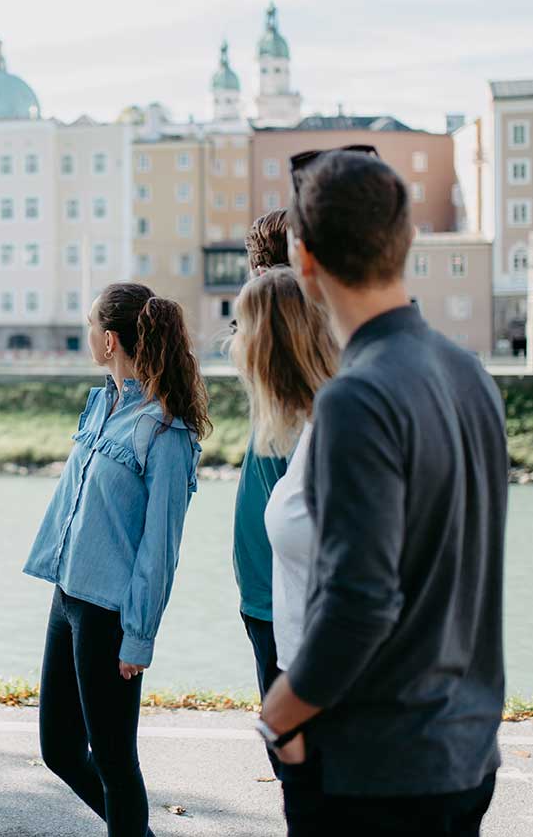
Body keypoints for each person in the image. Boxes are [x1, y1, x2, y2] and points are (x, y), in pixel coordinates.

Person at [255, 150, 508, 835]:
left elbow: (358, 604)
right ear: (404, 244)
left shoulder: (354, 397)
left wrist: (277, 717)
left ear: (301, 259)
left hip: (375, 768)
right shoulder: (466, 371)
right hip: (465, 748)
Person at [23, 283, 209, 837]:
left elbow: (161, 547)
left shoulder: (165, 431)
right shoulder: (102, 403)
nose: (86, 336)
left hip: (109, 614)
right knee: (58, 748)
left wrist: (139, 636)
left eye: (88, 326)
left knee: (114, 762)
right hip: (68, 596)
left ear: (108, 339)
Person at [231, 208, 294, 774]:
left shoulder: (313, 402)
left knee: (298, 763)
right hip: (263, 594)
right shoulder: (273, 383)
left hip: (286, 604)